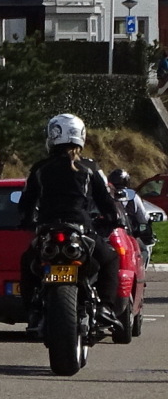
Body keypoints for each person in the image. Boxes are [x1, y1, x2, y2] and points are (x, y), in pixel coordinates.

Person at [17, 113, 123, 329]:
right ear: (80, 136)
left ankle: (32, 310)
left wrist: (27, 221)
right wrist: (114, 218)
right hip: (81, 229)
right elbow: (106, 200)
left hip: (48, 229)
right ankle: (105, 307)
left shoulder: (40, 168)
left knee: (27, 262)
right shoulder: (90, 168)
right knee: (110, 259)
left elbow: (26, 202)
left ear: (52, 136)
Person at [108, 168, 155, 265]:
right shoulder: (133, 197)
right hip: (127, 234)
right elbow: (143, 218)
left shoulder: (105, 195)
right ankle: (139, 275)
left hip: (108, 235)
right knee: (144, 249)